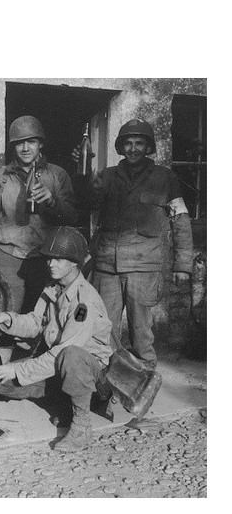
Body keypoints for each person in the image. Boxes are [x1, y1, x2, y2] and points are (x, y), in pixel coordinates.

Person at [0, 226, 112, 452]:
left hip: (87, 370)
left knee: (71, 356)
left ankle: (82, 426)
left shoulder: (84, 301)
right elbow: (35, 322)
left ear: (74, 263)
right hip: (57, 363)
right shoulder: (52, 287)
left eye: (58, 259)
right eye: (49, 258)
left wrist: (17, 369)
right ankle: (63, 402)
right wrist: (6, 319)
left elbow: (66, 350)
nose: (51, 264)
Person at [76, 118, 193, 369]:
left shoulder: (165, 178)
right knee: (102, 330)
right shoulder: (107, 176)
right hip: (107, 266)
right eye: (128, 143)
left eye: (139, 143)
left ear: (148, 147)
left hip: (144, 267)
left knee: (142, 335)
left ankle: (145, 378)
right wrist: (84, 174)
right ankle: (105, 381)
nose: (133, 149)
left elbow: (180, 220)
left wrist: (183, 265)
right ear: (121, 147)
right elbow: (87, 204)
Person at [0, 115, 78, 314]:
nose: (25, 148)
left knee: (42, 316)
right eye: (19, 143)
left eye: (31, 141)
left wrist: (52, 201)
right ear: (13, 146)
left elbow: (71, 218)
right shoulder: (1, 176)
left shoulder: (57, 175)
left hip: (44, 259)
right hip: (7, 256)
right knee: (5, 313)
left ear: (40, 144)